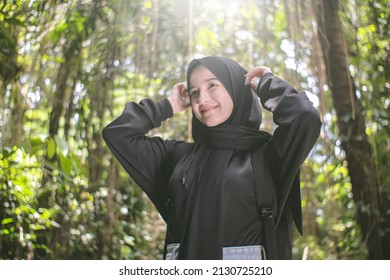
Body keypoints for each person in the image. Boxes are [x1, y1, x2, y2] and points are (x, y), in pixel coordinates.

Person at [102, 56, 321, 260]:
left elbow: (305, 117)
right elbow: (118, 134)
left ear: (236, 87)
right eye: (194, 92)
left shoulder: (269, 155)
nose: (202, 99)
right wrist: (170, 104)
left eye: (212, 85)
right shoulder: (176, 157)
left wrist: (267, 85)